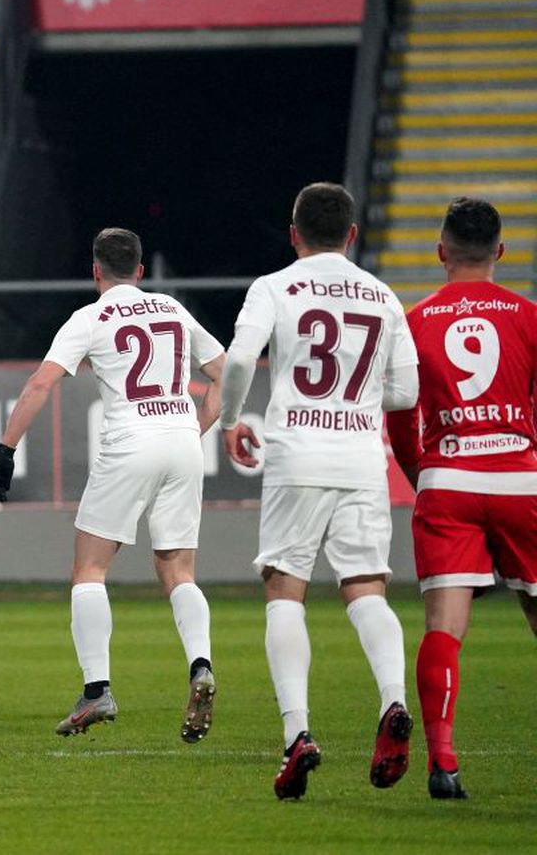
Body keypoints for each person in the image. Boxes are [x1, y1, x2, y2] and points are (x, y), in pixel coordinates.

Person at [0, 228, 225, 742]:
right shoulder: (172, 309)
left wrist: (6, 449)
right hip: (184, 442)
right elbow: (227, 372)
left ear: (95, 270)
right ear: (141, 271)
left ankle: (97, 690)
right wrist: (200, 424)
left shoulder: (89, 318)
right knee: (178, 570)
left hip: (128, 442)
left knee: (90, 569)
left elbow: (41, 384)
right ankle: (200, 664)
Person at [220, 182, 420, 800]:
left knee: (285, 590)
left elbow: (235, 363)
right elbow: (407, 393)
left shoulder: (275, 286)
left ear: (293, 233)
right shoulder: (383, 295)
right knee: (366, 589)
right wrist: (355, 400)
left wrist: (230, 422)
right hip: (362, 459)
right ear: (352, 235)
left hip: (297, 455)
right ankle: (392, 700)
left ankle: (298, 734)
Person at [384, 197, 537, 801]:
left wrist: (422, 473)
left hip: (449, 478)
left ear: (441, 251)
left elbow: (400, 416)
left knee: (445, 628)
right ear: (500, 252)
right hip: (521, 477)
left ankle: (443, 764)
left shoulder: (415, 319)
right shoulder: (528, 315)